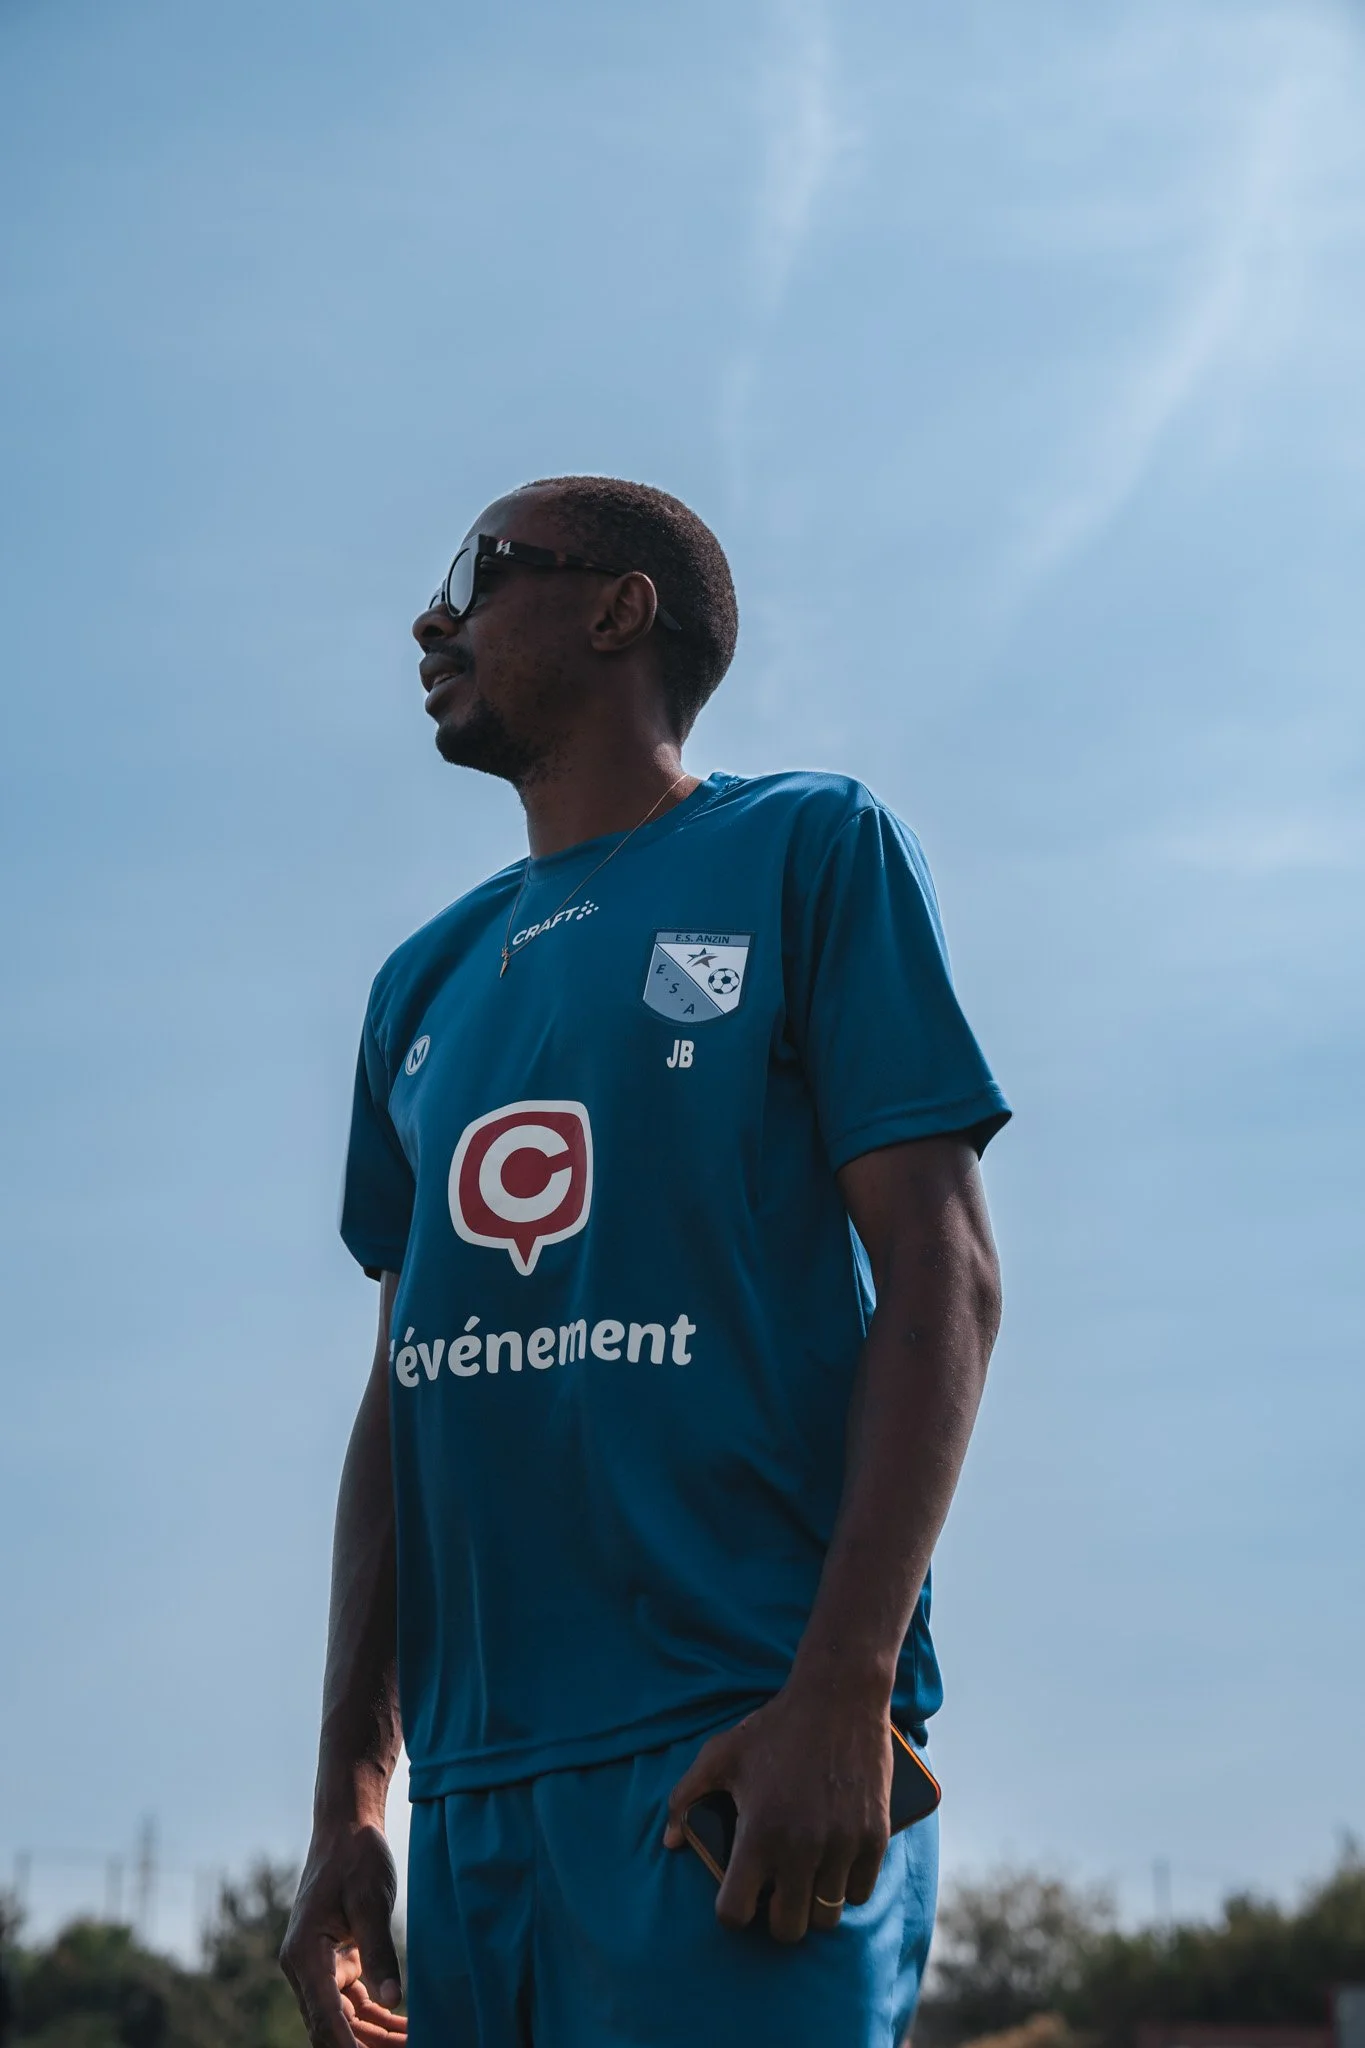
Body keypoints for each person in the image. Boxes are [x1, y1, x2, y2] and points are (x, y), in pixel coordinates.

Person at [280, 476, 1009, 2048]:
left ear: (621, 610)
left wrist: (843, 1690)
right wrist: (351, 1800)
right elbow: (405, 1397)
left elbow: (946, 1273)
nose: (431, 620)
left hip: (736, 1749)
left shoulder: (810, 847)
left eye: (478, 573)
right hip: (475, 1808)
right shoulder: (421, 984)